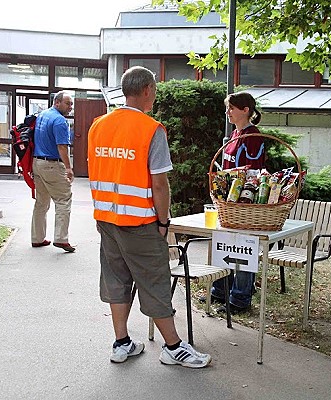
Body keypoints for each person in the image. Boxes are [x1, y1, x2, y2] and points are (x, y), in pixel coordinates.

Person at [87, 66, 211, 368]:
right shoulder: (150, 129)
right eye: (154, 90)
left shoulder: (98, 125)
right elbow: (159, 183)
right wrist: (164, 221)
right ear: (146, 90)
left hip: (107, 219)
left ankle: (122, 342)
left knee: (116, 279)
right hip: (140, 223)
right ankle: (174, 348)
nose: (154, 95)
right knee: (154, 281)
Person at [210, 92, 265, 313]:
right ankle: (221, 289)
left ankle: (240, 298)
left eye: (231, 108)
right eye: (227, 108)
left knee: (244, 247)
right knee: (225, 242)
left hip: (244, 202)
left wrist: (230, 175)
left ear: (245, 110)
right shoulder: (234, 134)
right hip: (229, 203)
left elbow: (252, 171)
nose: (227, 112)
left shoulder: (253, 137)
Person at [30, 91, 75, 253]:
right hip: (52, 165)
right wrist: (69, 168)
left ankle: (37, 238)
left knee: (41, 202)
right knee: (63, 199)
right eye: (68, 103)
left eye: (71, 104)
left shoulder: (43, 115)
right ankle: (61, 239)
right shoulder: (59, 121)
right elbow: (62, 147)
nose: (71, 107)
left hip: (37, 163)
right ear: (57, 103)